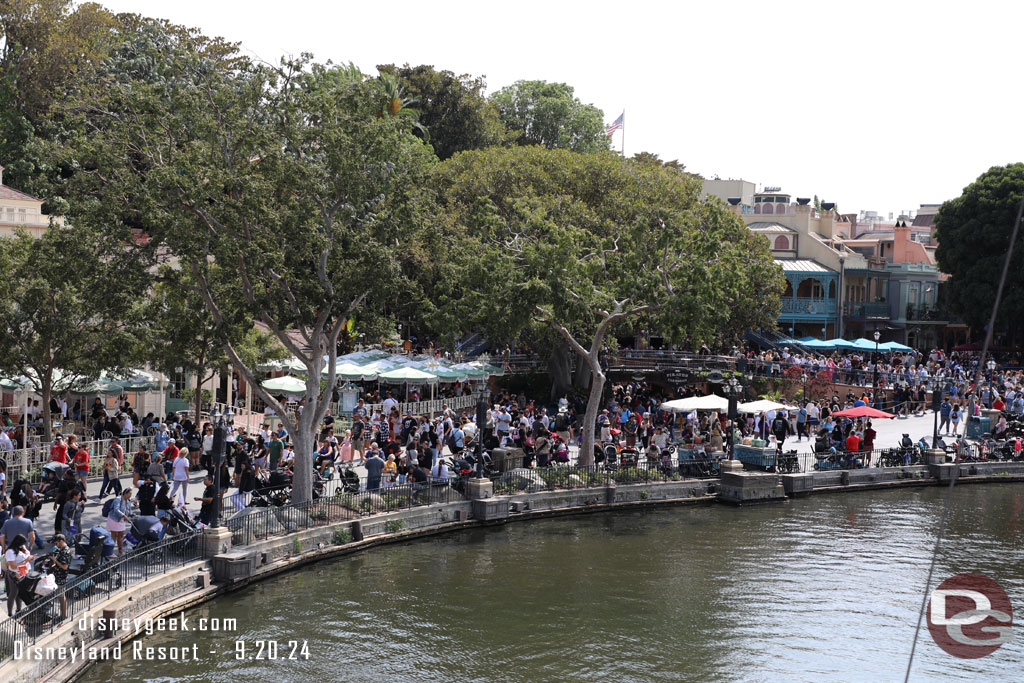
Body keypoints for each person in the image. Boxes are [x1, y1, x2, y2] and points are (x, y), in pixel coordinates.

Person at [4, 534, 33, 616]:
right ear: (17, 543)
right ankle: (10, 613)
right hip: (14, 574)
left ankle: (18, 610)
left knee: (19, 592)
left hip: (22, 573)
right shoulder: (10, 552)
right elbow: (13, 565)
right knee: (13, 593)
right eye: (22, 544)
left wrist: (25, 551)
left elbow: (26, 555)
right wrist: (26, 561)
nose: (23, 545)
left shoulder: (20, 548)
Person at [47, 534, 72, 620]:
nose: (55, 545)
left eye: (56, 543)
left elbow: (65, 566)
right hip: (57, 575)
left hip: (61, 577)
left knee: (61, 597)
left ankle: (63, 616)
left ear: (61, 541)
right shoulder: (61, 550)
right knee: (60, 596)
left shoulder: (66, 551)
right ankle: (62, 615)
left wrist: (54, 560)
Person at [107, 488, 133, 554]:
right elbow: (116, 510)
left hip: (121, 520)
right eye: (129, 494)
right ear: (125, 493)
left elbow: (129, 510)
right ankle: (110, 552)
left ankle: (120, 551)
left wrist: (132, 514)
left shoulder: (128, 500)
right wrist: (123, 515)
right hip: (114, 519)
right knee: (114, 535)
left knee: (121, 535)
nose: (130, 495)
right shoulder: (118, 499)